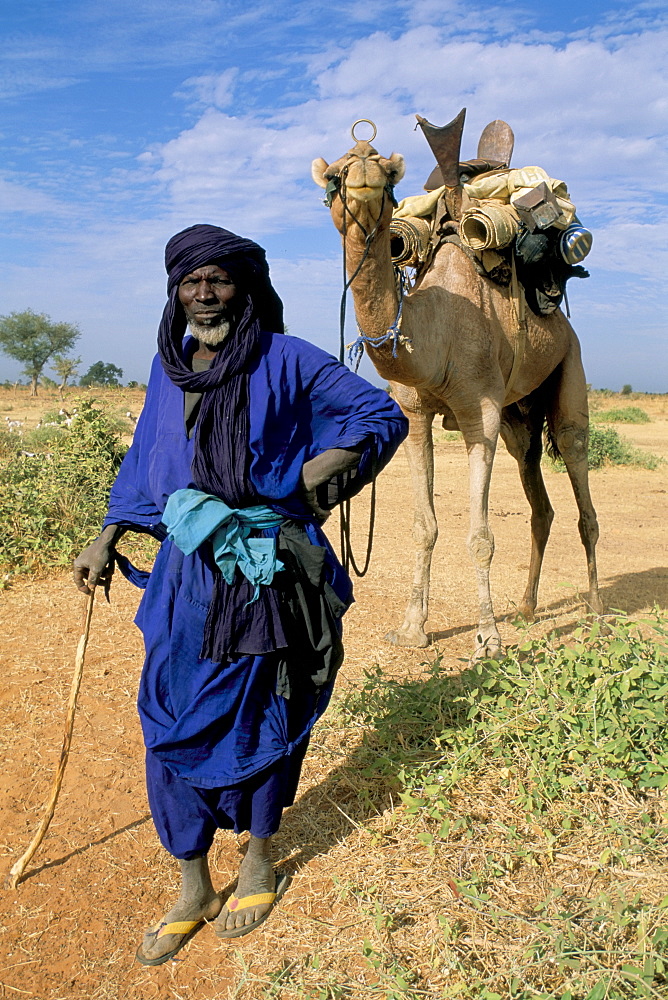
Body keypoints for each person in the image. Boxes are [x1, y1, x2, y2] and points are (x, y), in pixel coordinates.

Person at [73, 223, 407, 965]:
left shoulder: (285, 358)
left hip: (263, 570)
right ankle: (193, 884)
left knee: (264, 713)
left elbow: (379, 415)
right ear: (176, 290)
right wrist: (108, 535)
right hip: (187, 577)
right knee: (165, 718)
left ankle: (258, 859)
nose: (203, 294)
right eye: (190, 282)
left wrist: (299, 486)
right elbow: (145, 458)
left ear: (244, 288)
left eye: (217, 279)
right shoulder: (172, 366)